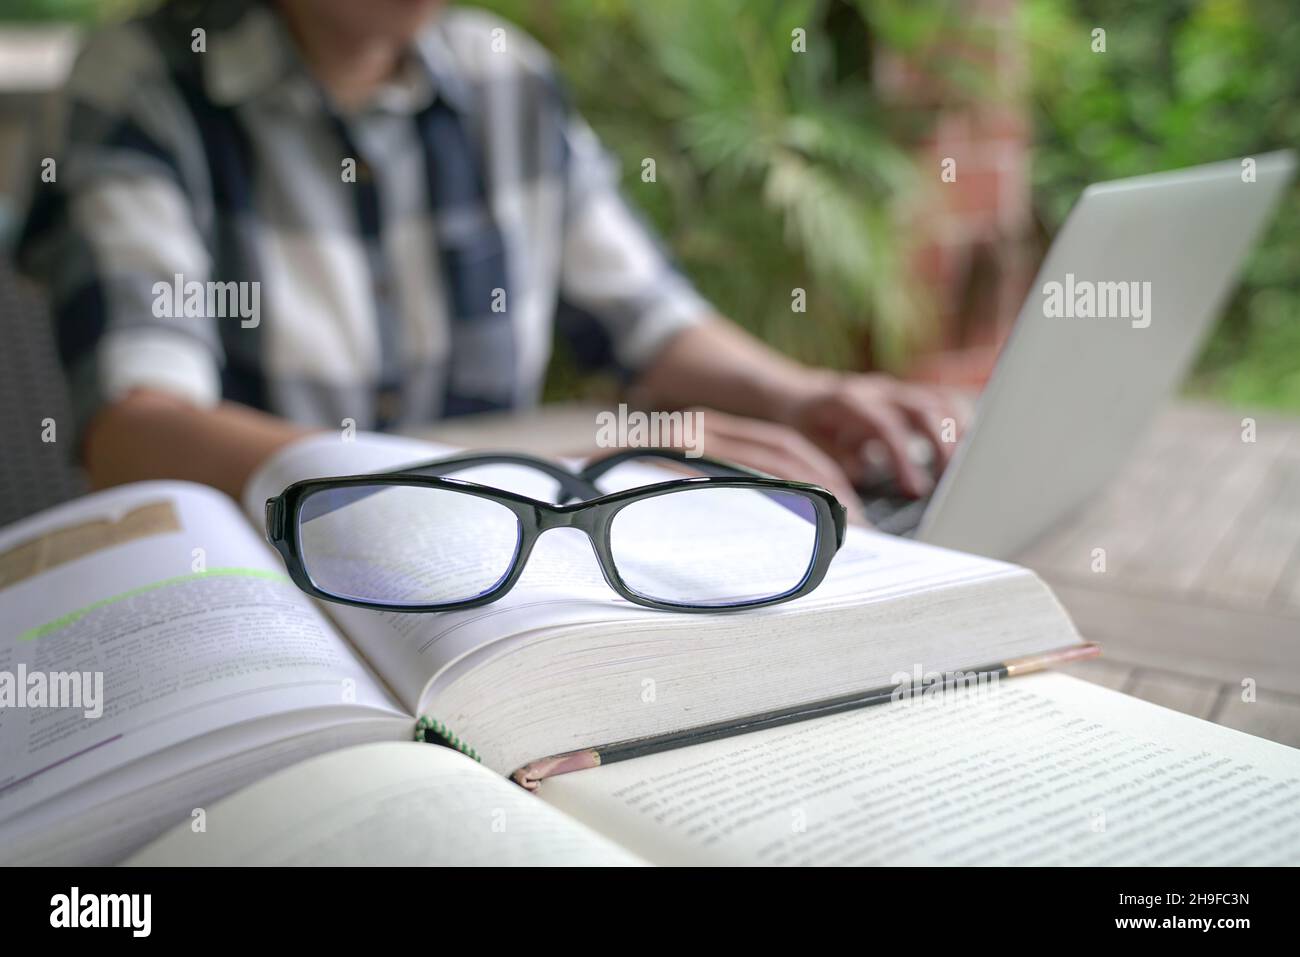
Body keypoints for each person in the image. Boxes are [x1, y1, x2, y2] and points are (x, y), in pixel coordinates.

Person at [16, 0, 963, 508]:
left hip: (499, 569)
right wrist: (527, 471)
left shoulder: (506, 78)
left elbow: (651, 325)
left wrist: (800, 395)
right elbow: (138, 432)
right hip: (266, 595)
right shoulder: (143, 86)